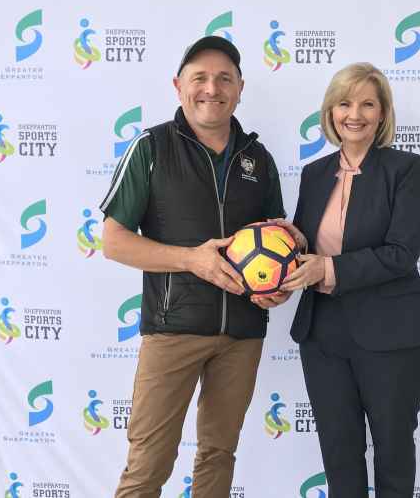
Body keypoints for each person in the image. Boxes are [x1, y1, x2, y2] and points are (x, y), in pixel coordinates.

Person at [99, 36, 287, 498]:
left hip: (243, 332)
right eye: (199, 77)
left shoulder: (258, 159)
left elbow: (278, 239)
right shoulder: (151, 147)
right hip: (172, 329)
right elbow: (114, 241)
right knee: (149, 463)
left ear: (240, 88)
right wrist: (190, 260)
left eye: (224, 78)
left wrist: (278, 286)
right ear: (178, 86)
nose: (211, 88)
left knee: (218, 456)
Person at [276, 62, 420, 497]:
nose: (355, 114)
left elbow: (402, 254)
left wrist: (328, 268)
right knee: (338, 453)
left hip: (391, 334)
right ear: (330, 112)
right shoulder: (315, 174)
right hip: (322, 334)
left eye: (368, 104)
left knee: (393, 452)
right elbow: (310, 247)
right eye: (344, 103)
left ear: (383, 113)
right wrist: (285, 246)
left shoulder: (405, 169)